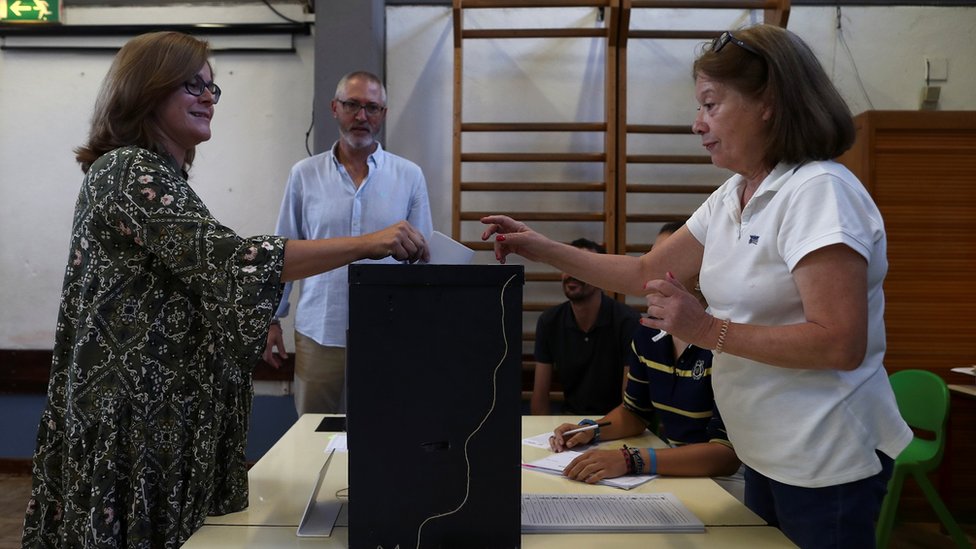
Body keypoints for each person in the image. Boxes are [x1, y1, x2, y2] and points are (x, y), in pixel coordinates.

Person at [482, 24, 912, 549]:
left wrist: (706, 328)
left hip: (824, 456)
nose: (697, 123)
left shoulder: (819, 191)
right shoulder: (737, 192)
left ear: (768, 102)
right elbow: (646, 272)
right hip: (767, 451)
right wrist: (538, 246)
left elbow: (840, 343)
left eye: (711, 105)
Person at [21, 32, 428, 548]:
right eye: (193, 85)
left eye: (213, 89)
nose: (209, 98)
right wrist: (369, 243)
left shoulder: (162, 177)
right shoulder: (129, 170)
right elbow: (235, 261)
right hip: (132, 425)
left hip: (160, 421)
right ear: (148, 88)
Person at [262, 71, 433, 416]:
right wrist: (271, 319)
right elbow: (283, 253)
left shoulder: (409, 175)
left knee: (385, 433)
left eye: (372, 107)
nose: (361, 116)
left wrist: (422, 328)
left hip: (389, 332)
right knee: (310, 433)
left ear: (383, 114)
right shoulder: (304, 175)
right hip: (319, 332)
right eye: (352, 105)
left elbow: (425, 260)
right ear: (334, 108)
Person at [549, 222, 744, 501]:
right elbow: (634, 413)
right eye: (651, 260)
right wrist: (591, 430)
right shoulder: (648, 332)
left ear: (702, 274)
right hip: (674, 473)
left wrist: (631, 460)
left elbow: (726, 455)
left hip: (727, 485)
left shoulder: (724, 339)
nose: (651, 274)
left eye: (666, 261)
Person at [531, 238, 640, 416]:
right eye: (568, 266)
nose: (572, 274)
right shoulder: (549, 321)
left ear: (602, 277)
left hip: (617, 425)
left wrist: (594, 431)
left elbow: (630, 406)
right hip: (568, 423)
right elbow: (540, 401)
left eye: (581, 268)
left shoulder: (628, 322)